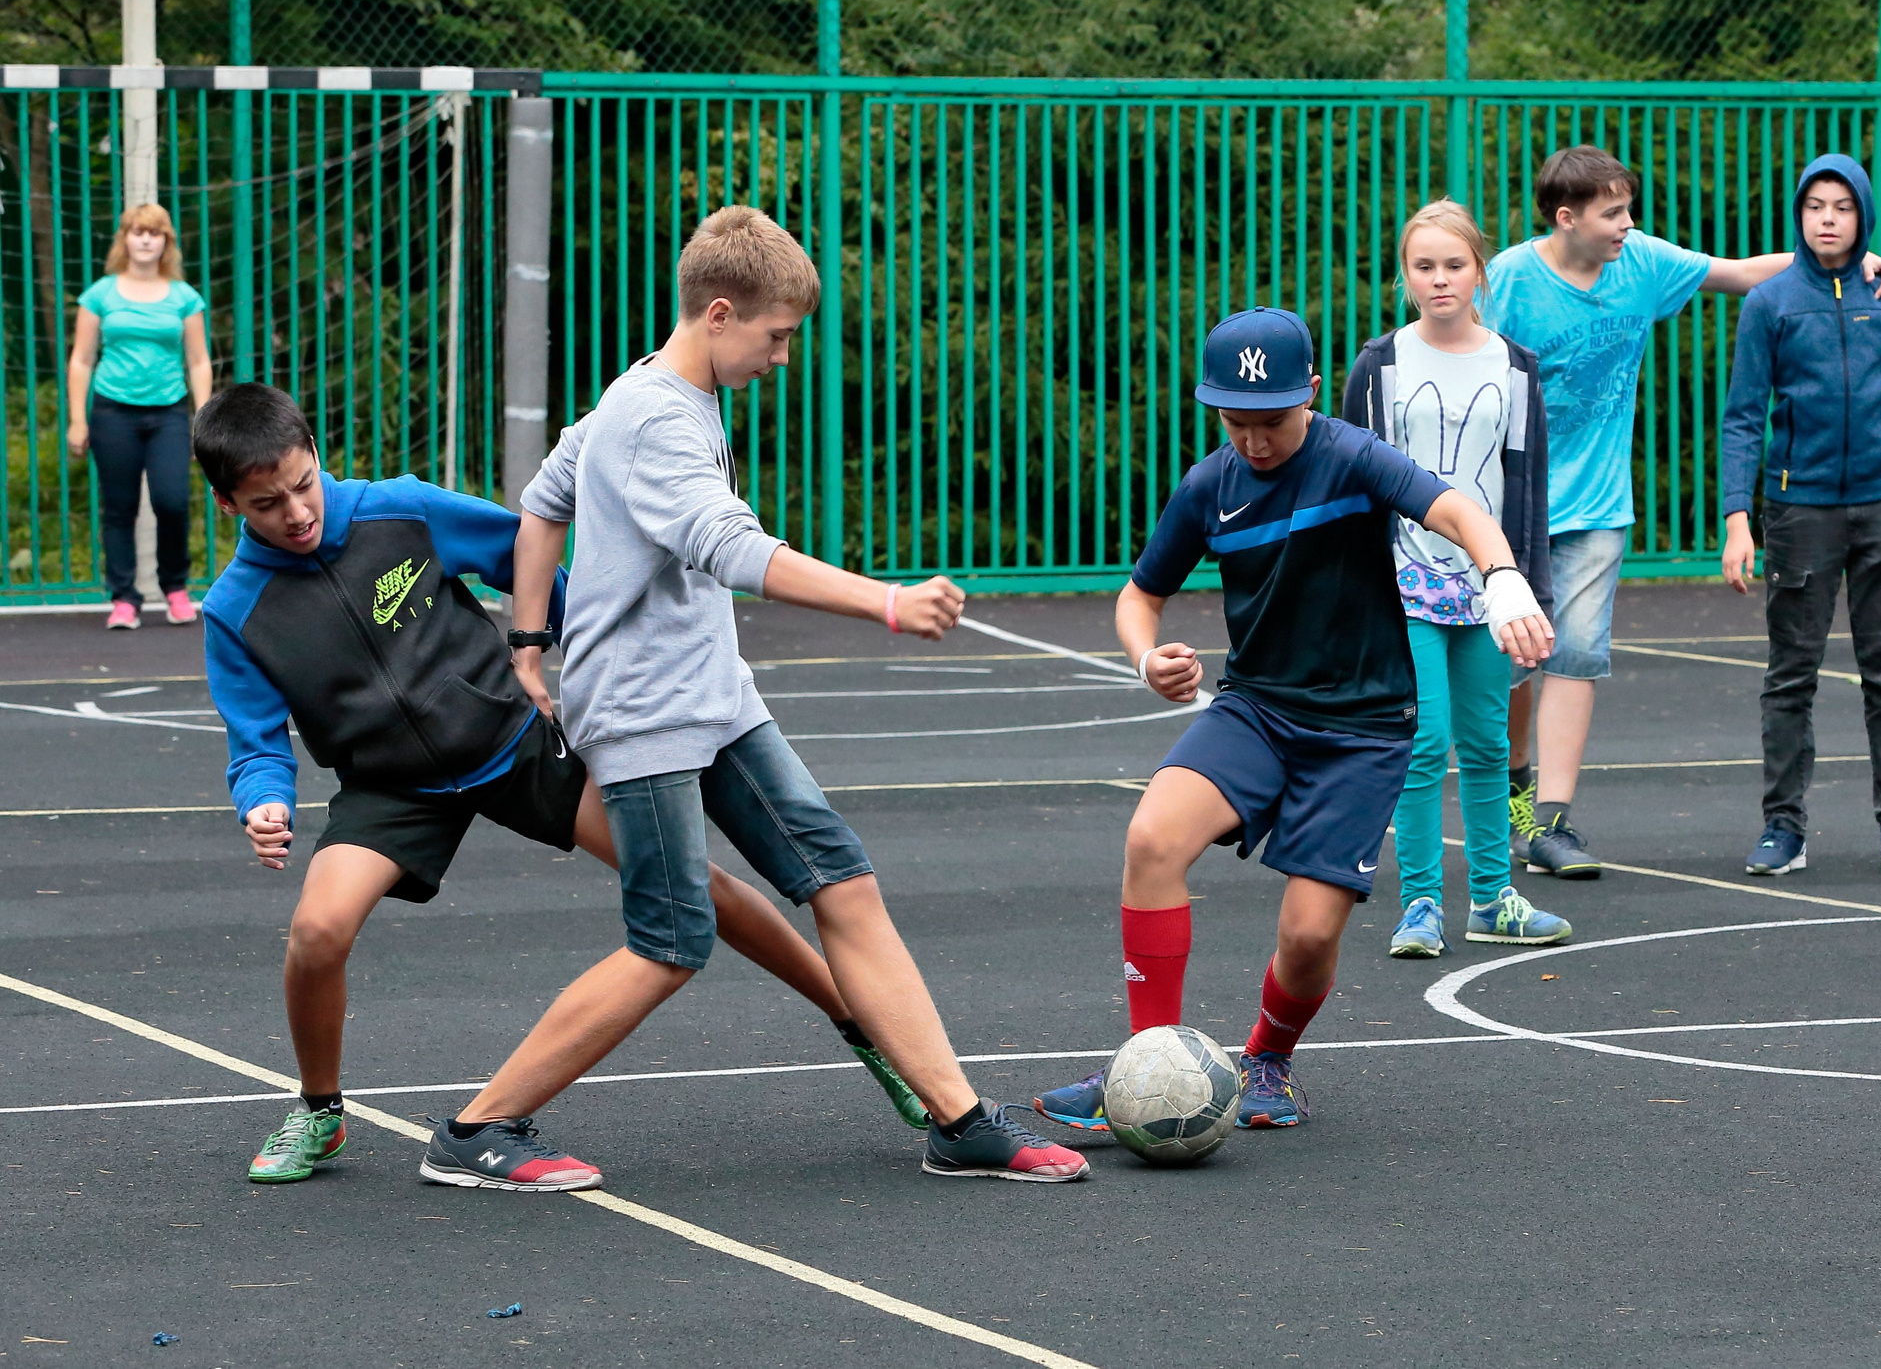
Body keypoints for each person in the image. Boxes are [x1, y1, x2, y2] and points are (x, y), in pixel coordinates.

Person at [432, 206, 1086, 1190]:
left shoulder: (641, 399)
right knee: (671, 940)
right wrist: (888, 602)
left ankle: (958, 1121)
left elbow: (541, 503)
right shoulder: (655, 420)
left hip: (714, 696)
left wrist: (530, 639)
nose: (782, 359)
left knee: (841, 881)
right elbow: (733, 549)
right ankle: (479, 1128)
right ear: (721, 313)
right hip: (647, 711)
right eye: (776, 337)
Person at [194, 382, 926, 1186]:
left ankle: (863, 1023)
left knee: (693, 889)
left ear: (317, 458)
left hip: (513, 739)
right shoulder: (236, 608)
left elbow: (525, 547)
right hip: (390, 785)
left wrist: (568, 642)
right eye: (268, 504)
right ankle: (320, 1109)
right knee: (317, 930)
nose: (297, 512)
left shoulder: (397, 509)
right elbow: (255, 736)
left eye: (304, 484)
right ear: (229, 501)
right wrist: (260, 798)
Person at [1033, 307, 1553, 1132]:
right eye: (1234, 421)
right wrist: (1146, 655)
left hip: (1363, 727)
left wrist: (1502, 576)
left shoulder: (1353, 456)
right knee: (1151, 840)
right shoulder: (1209, 484)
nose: (1254, 440)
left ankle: (1269, 1058)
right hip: (1259, 708)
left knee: (1308, 937)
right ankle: (1148, 1064)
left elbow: (1454, 507)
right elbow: (1141, 594)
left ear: (1310, 392)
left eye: (1271, 420)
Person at [1482, 146, 1881, 878]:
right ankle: (1513, 784)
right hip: (1510, 502)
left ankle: (1552, 821)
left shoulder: (1641, 262)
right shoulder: (1513, 280)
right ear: (1567, 218)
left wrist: (1863, 263)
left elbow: (1741, 274)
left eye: (1628, 209)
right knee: (1516, 663)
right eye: (1613, 212)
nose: (1627, 224)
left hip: (1597, 503)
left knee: (1577, 653)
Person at [1718, 154, 1881, 877]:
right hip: (1800, 510)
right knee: (1792, 674)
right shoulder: (1771, 303)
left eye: (1842, 206)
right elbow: (1742, 418)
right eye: (1815, 205)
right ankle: (1782, 827)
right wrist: (1738, 517)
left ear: (1863, 216)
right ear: (1799, 214)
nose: (1827, 217)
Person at [1342, 201, 1568, 958]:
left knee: (1484, 740)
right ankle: (1421, 905)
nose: (1440, 279)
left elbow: (1526, 487)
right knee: (1423, 736)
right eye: (1424, 266)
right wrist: (1356, 591)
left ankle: (1495, 896)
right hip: (1402, 580)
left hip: (1488, 585)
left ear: (1479, 271)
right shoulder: (1381, 364)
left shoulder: (1514, 366)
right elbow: (1354, 487)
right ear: (1406, 276)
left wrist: (1527, 588)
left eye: (1454, 264)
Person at [67, 202, 212, 628]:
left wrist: (201, 420)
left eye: (155, 233)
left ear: (167, 241)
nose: (146, 239)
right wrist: (79, 419)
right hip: (113, 412)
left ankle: (175, 588)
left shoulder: (185, 297)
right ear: (124, 239)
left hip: (168, 412)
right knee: (119, 507)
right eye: (137, 231)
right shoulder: (101, 294)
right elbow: (81, 360)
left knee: (171, 502)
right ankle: (124, 598)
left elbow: (199, 361)